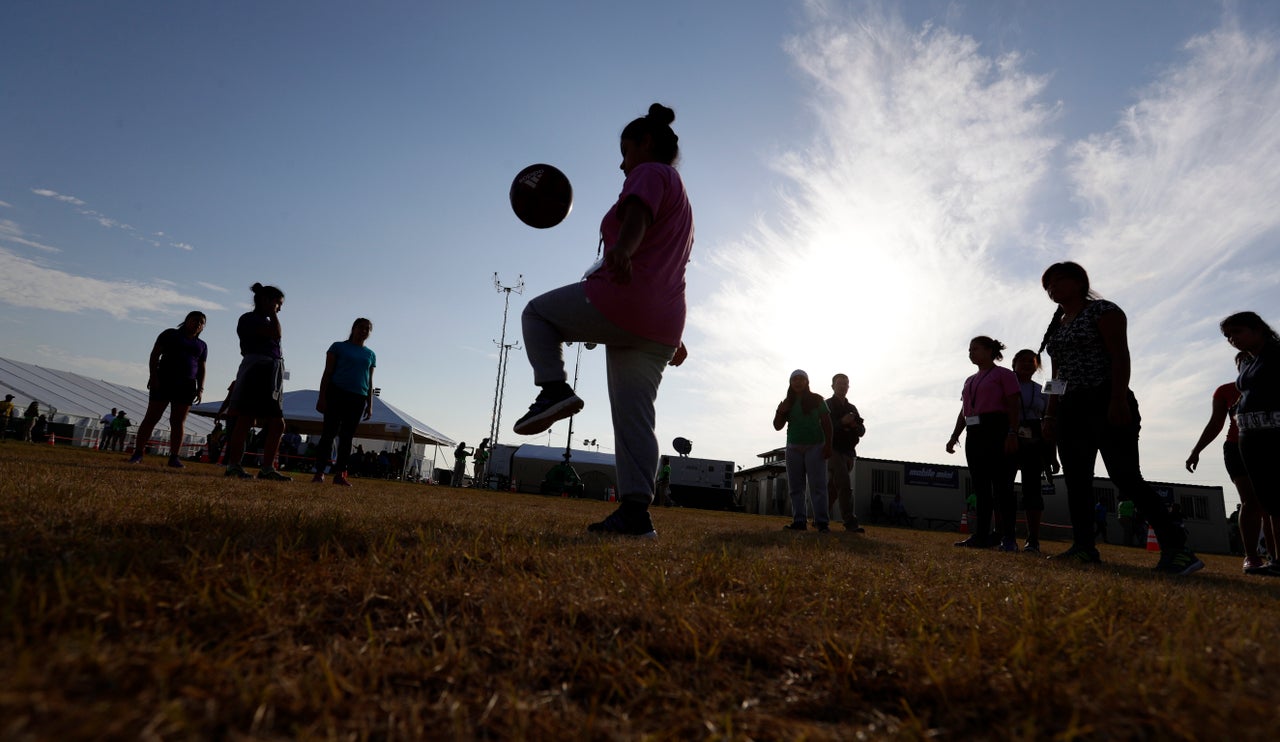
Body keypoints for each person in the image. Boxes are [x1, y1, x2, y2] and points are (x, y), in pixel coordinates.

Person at [512, 103, 693, 539]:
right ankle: (635, 515)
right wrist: (674, 335)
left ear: (645, 144)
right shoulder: (682, 196)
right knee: (635, 420)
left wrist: (624, 249)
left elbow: (637, 218)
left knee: (536, 313)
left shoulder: (651, 173)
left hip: (623, 302)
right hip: (661, 323)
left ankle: (553, 389)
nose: (621, 161)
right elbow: (670, 264)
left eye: (624, 149)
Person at [1038, 261, 1202, 573]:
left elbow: (1119, 355)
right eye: (1048, 286)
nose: (1052, 289)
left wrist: (1116, 398)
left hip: (1106, 399)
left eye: (1058, 282)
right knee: (1076, 481)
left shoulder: (1104, 311)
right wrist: (1050, 414)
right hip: (1071, 409)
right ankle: (1084, 547)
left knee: (1125, 477)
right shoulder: (1058, 324)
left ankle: (1178, 550)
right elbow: (1057, 375)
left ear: (1079, 282)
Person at [1185, 351, 1279, 574]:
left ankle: (1275, 558)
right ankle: (1252, 556)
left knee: (1271, 504)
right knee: (1251, 501)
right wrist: (1196, 450)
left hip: (1269, 445)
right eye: (1241, 362)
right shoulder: (1226, 391)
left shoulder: (1273, 385)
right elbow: (1215, 423)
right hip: (1237, 448)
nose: (1245, 365)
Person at [946, 337, 1020, 550]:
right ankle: (981, 536)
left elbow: (1014, 405)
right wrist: (954, 436)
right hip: (974, 432)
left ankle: (1008, 537)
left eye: (975, 349)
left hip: (997, 428)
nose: (971, 353)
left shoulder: (1004, 375)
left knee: (1002, 486)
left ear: (989, 350)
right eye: (969, 350)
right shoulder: (969, 380)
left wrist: (1012, 432)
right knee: (981, 487)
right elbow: (964, 410)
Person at [1221, 311, 1280, 575]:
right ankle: (1275, 560)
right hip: (1249, 436)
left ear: (1257, 329)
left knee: (1278, 497)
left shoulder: (1276, 353)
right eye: (1229, 336)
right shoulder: (1246, 362)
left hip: (1274, 433)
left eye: (1238, 332)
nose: (1233, 339)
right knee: (1267, 500)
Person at [221, 283, 291, 481]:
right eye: (278, 303)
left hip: (273, 370)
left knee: (277, 423)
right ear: (266, 301)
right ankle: (233, 465)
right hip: (256, 368)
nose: (280, 308)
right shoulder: (249, 319)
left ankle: (267, 467)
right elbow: (276, 334)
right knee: (245, 418)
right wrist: (273, 314)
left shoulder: (266, 320)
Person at [128, 311, 208, 467]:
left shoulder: (202, 345)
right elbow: (154, 355)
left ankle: (174, 457)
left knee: (178, 422)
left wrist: (200, 388)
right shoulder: (170, 334)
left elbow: (202, 367)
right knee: (152, 417)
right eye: (195, 320)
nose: (198, 324)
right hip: (164, 380)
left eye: (201, 322)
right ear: (186, 321)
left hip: (187, 385)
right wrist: (153, 376)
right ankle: (138, 453)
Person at [312, 318, 376, 487]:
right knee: (329, 433)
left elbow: (369, 381)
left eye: (367, 329)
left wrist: (370, 404)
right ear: (353, 328)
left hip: (358, 397)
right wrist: (322, 397)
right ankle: (319, 471)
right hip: (336, 393)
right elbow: (327, 372)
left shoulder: (370, 354)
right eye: (360, 327)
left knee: (347, 437)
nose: (363, 331)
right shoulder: (338, 347)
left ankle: (340, 473)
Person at [1010, 349, 1058, 553]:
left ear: (1037, 365)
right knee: (1004, 487)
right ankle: (1006, 536)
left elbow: (1049, 424)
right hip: (1009, 437)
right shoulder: (1004, 384)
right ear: (1014, 364)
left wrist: (1052, 455)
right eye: (1022, 360)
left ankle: (1033, 540)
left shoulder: (1043, 389)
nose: (1027, 364)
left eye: (1032, 361)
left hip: (1035, 441)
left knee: (1033, 490)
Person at [773, 369, 833, 532]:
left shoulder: (817, 399)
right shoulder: (788, 402)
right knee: (796, 487)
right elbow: (777, 426)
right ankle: (799, 521)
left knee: (818, 486)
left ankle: (822, 522)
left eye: (801, 379)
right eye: (794, 379)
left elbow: (827, 423)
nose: (798, 382)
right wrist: (780, 411)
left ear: (807, 382)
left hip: (816, 447)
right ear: (790, 383)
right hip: (793, 448)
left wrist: (828, 445)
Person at [826, 373, 866, 532]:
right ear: (833, 386)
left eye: (846, 384)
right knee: (844, 484)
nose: (843, 386)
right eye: (840, 383)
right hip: (833, 450)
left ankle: (819, 517)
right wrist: (842, 422)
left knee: (833, 489)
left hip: (849, 452)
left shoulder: (852, 408)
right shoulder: (827, 405)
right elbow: (824, 428)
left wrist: (855, 426)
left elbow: (862, 431)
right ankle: (850, 522)